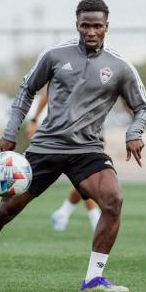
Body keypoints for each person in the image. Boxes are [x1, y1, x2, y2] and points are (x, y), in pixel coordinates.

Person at [0, 0, 146, 292]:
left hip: (88, 151)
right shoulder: (55, 56)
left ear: (106, 26)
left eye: (97, 26)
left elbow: (144, 107)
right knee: (4, 212)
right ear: (77, 25)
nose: (91, 32)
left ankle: (94, 278)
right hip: (46, 148)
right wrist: (11, 130)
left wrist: (134, 132)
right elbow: (26, 90)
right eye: (85, 25)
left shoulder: (121, 67)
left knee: (113, 201)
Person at [26, 92, 101, 232]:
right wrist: (34, 120)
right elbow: (48, 92)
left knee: (87, 178)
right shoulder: (63, 71)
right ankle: (95, 219)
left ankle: (64, 213)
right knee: (86, 178)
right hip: (64, 134)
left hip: (93, 132)